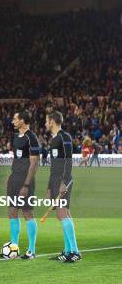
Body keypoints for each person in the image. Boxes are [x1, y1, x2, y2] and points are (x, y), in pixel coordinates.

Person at [1, 110, 40, 259]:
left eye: (15, 119)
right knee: (12, 211)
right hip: (14, 178)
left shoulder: (32, 138)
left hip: (25, 180)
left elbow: (34, 163)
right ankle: (14, 248)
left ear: (23, 120)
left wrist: (26, 184)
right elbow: (16, 159)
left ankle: (31, 250)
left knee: (27, 213)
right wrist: (11, 175)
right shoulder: (16, 136)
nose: (12, 121)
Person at [45, 111, 81, 263]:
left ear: (52, 121)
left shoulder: (64, 137)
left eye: (47, 120)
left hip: (63, 181)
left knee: (61, 214)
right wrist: (49, 187)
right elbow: (54, 166)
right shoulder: (54, 139)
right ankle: (68, 251)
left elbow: (68, 161)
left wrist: (63, 182)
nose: (45, 123)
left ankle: (75, 252)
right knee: (63, 213)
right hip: (55, 181)